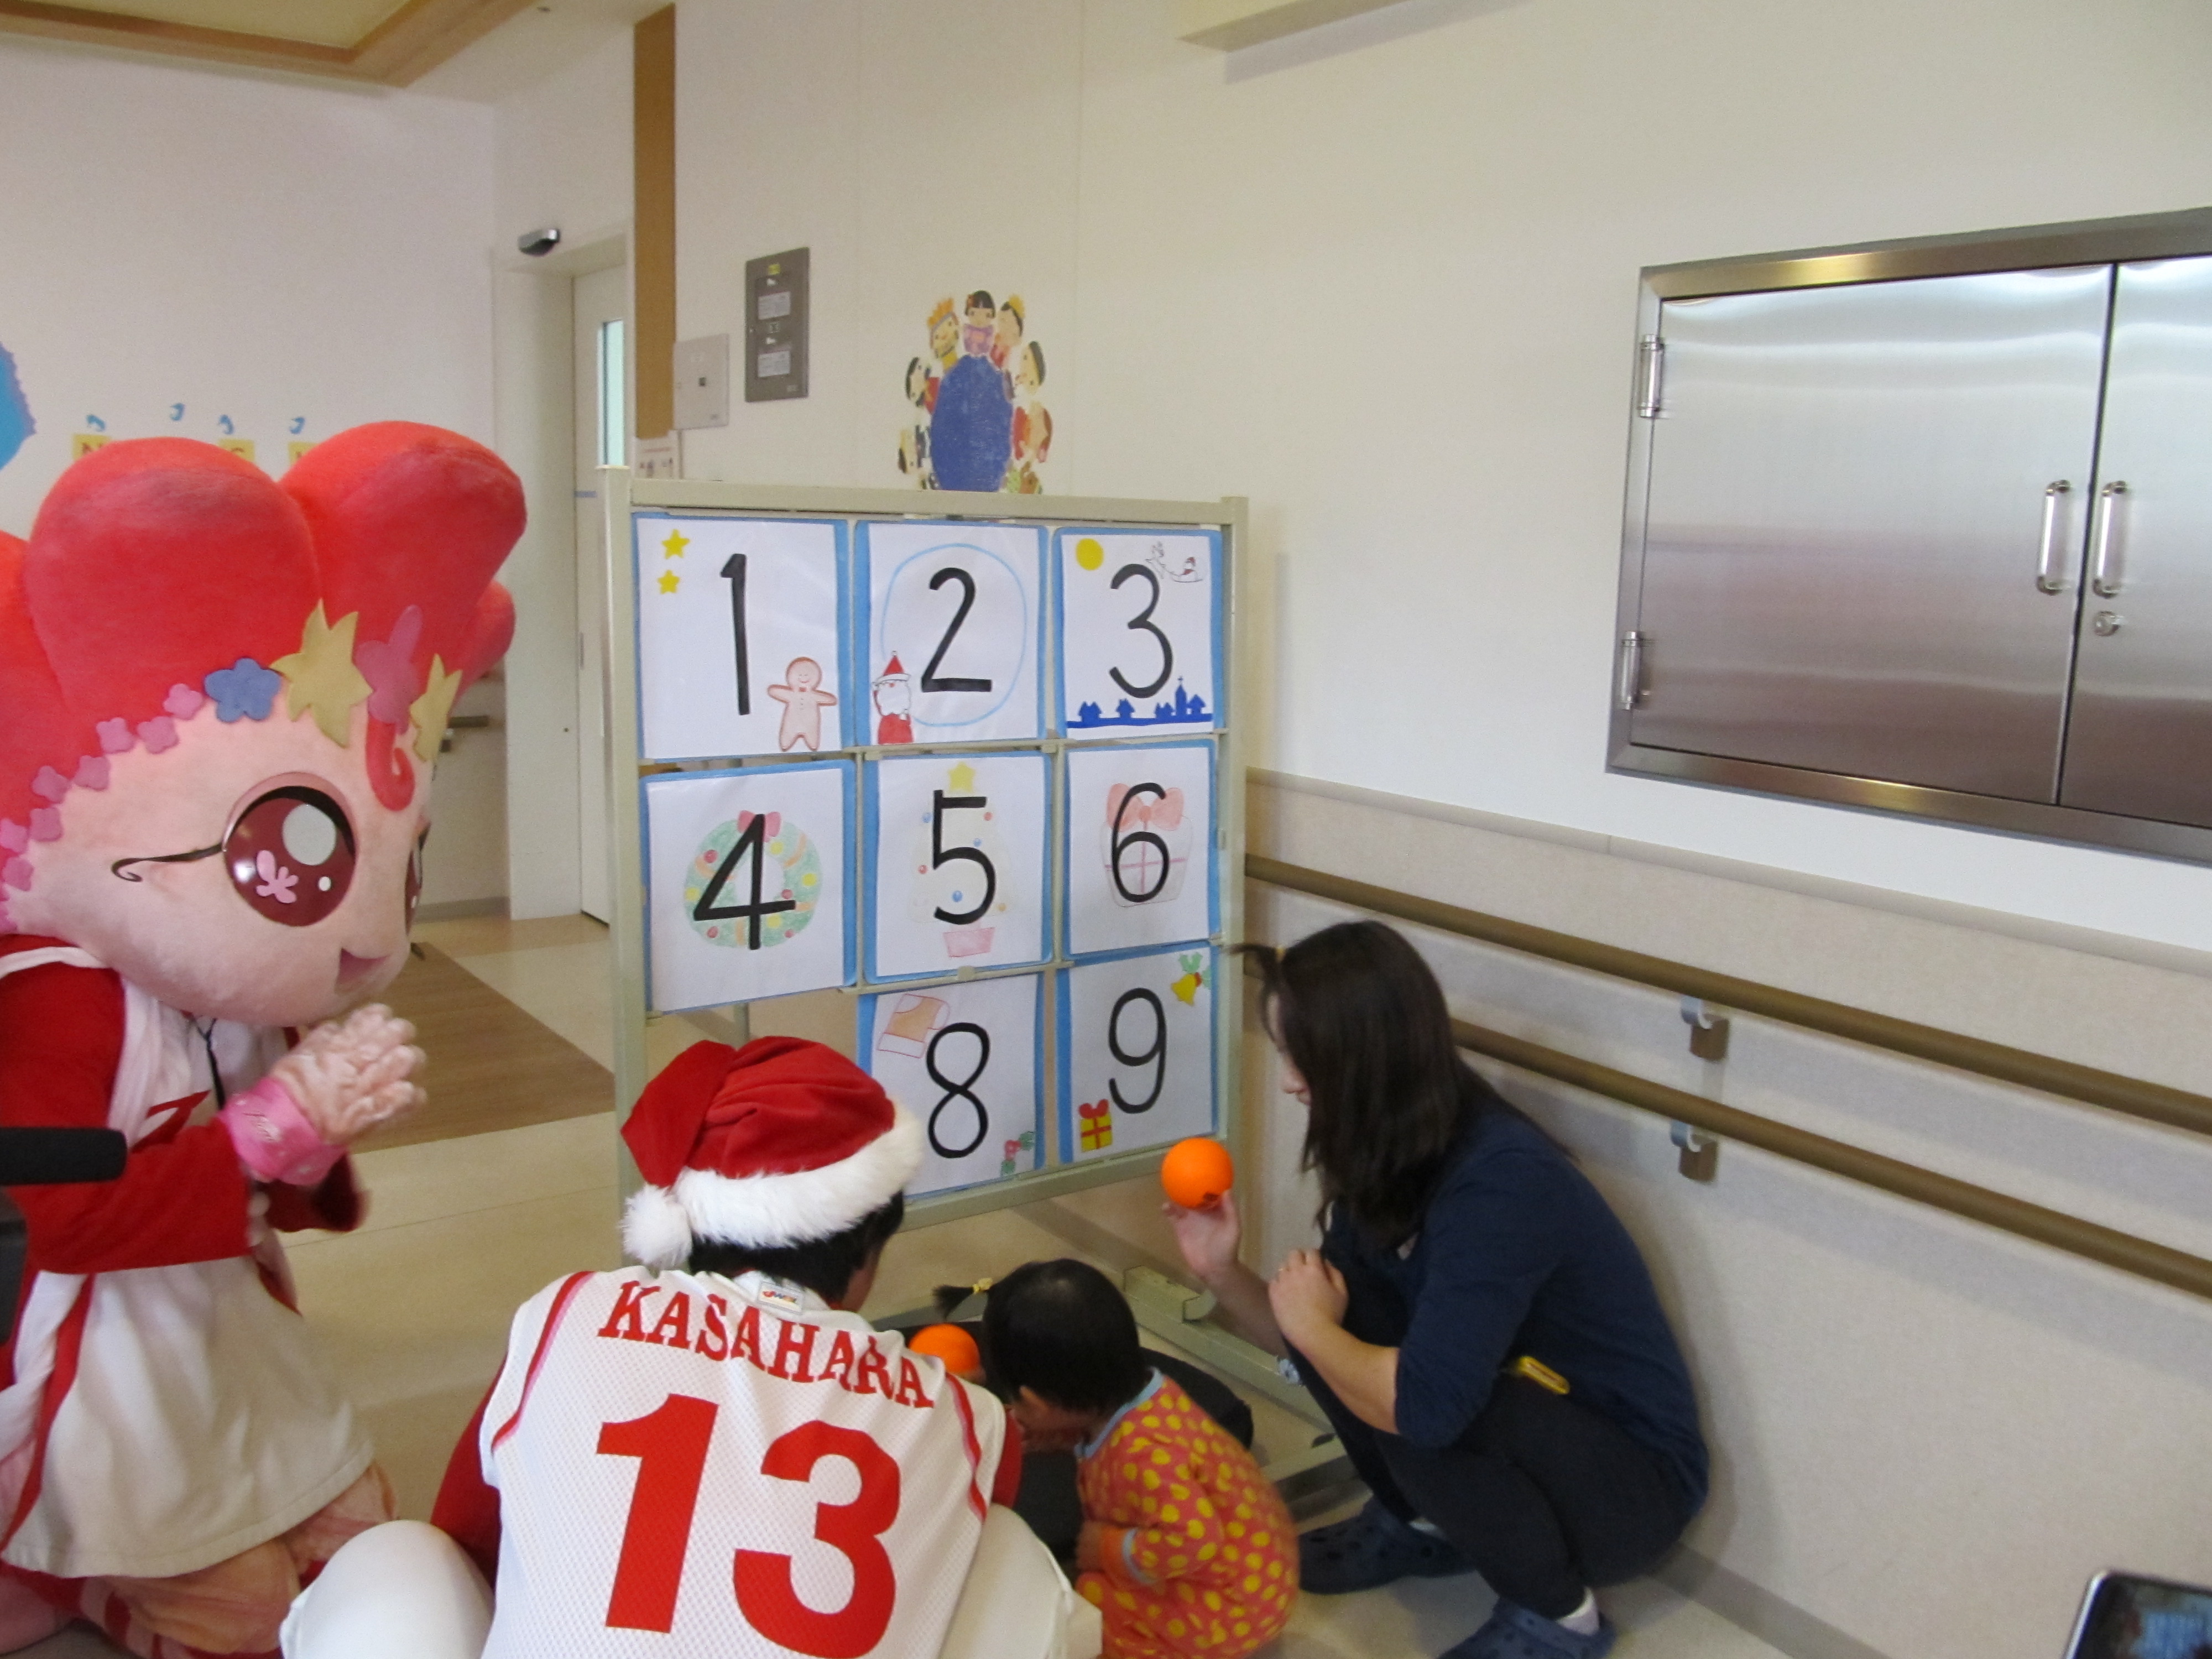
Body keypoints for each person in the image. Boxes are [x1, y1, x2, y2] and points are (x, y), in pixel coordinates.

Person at [283, 1037, 1097, 1659]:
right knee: (1010, 1558)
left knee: (403, 1560)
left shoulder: (571, 1313)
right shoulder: (963, 1416)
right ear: (870, 1254)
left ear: (686, 1226)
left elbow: (467, 1538)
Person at [1165, 921, 1707, 1659]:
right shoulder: (1390, 1146)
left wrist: (1318, 1331)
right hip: (1532, 1421)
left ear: (1365, 1063)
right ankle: (1422, 1527)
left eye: (1304, 1060)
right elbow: (1314, 1331)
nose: (1290, 1080)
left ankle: (1561, 1619)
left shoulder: (1501, 1182)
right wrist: (1221, 1272)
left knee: (1407, 1386)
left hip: (1632, 1488)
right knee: (1356, 1327)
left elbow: (1421, 1403)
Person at [983, 1260, 1296, 1659]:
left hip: (1238, 1604)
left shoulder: (1145, 1454)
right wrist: (1060, 1438)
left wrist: (1113, 1548)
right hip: (1255, 1565)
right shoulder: (1143, 1391)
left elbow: (1195, 1540)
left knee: (1096, 1598)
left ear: (1036, 1404)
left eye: (1017, 1404)